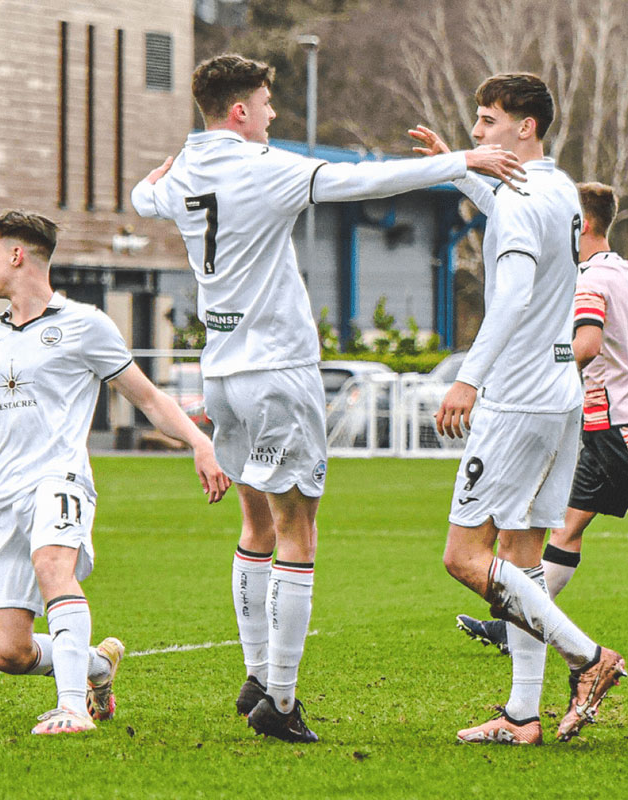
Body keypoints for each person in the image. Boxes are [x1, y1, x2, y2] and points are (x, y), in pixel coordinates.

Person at [131, 52, 523, 743]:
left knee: (256, 526)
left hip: (221, 374)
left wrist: (153, 177)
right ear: (241, 112)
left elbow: (142, 196)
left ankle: (258, 674)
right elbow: (358, 179)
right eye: (268, 103)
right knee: (297, 529)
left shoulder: (185, 173)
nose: (276, 116)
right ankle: (280, 700)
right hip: (279, 372)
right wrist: (461, 161)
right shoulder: (265, 166)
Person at [0, 210, 230, 735]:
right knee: (8, 652)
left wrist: (198, 442)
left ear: (16, 254)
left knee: (55, 567)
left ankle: (72, 707)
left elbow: (146, 396)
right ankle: (97, 665)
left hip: (60, 480)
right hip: (2, 499)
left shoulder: (85, 324)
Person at [410, 75, 626, 746]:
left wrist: (468, 379)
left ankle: (589, 659)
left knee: (464, 555)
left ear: (524, 127)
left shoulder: (520, 201)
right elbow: (511, 204)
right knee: (521, 555)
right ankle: (523, 715)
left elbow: (509, 296)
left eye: (487, 121)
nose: (478, 132)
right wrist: (459, 169)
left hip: (517, 399)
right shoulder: (557, 189)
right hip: (559, 397)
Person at [456, 181, 628, 654]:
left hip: (618, 422)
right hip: (609, 418)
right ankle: (520, 624)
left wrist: (547, 372)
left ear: (582, 224)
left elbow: (586, 343)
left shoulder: (587, 278)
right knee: (566, 530)